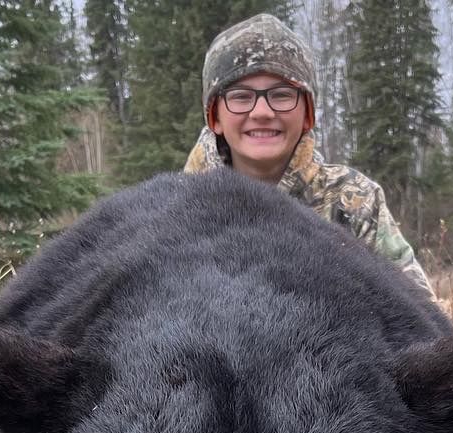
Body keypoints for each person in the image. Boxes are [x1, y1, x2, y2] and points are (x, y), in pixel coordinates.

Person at [183, 13, 435, 298]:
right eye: (241, 96)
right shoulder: (174, 209)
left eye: (281, 95)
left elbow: (418, 313)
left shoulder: (353, 201)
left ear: (308, 114)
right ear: (214, 116)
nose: (263, 112)